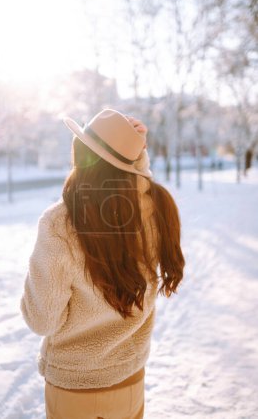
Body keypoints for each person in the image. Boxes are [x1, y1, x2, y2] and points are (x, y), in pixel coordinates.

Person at [20, 109, 185, 419]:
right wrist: (132, 152)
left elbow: (42, 320)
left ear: (81, 155)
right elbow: (138, 185)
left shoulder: (61, 223)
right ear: (130, 163)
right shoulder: (157, 205)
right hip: (130, 379)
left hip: (76, 388)